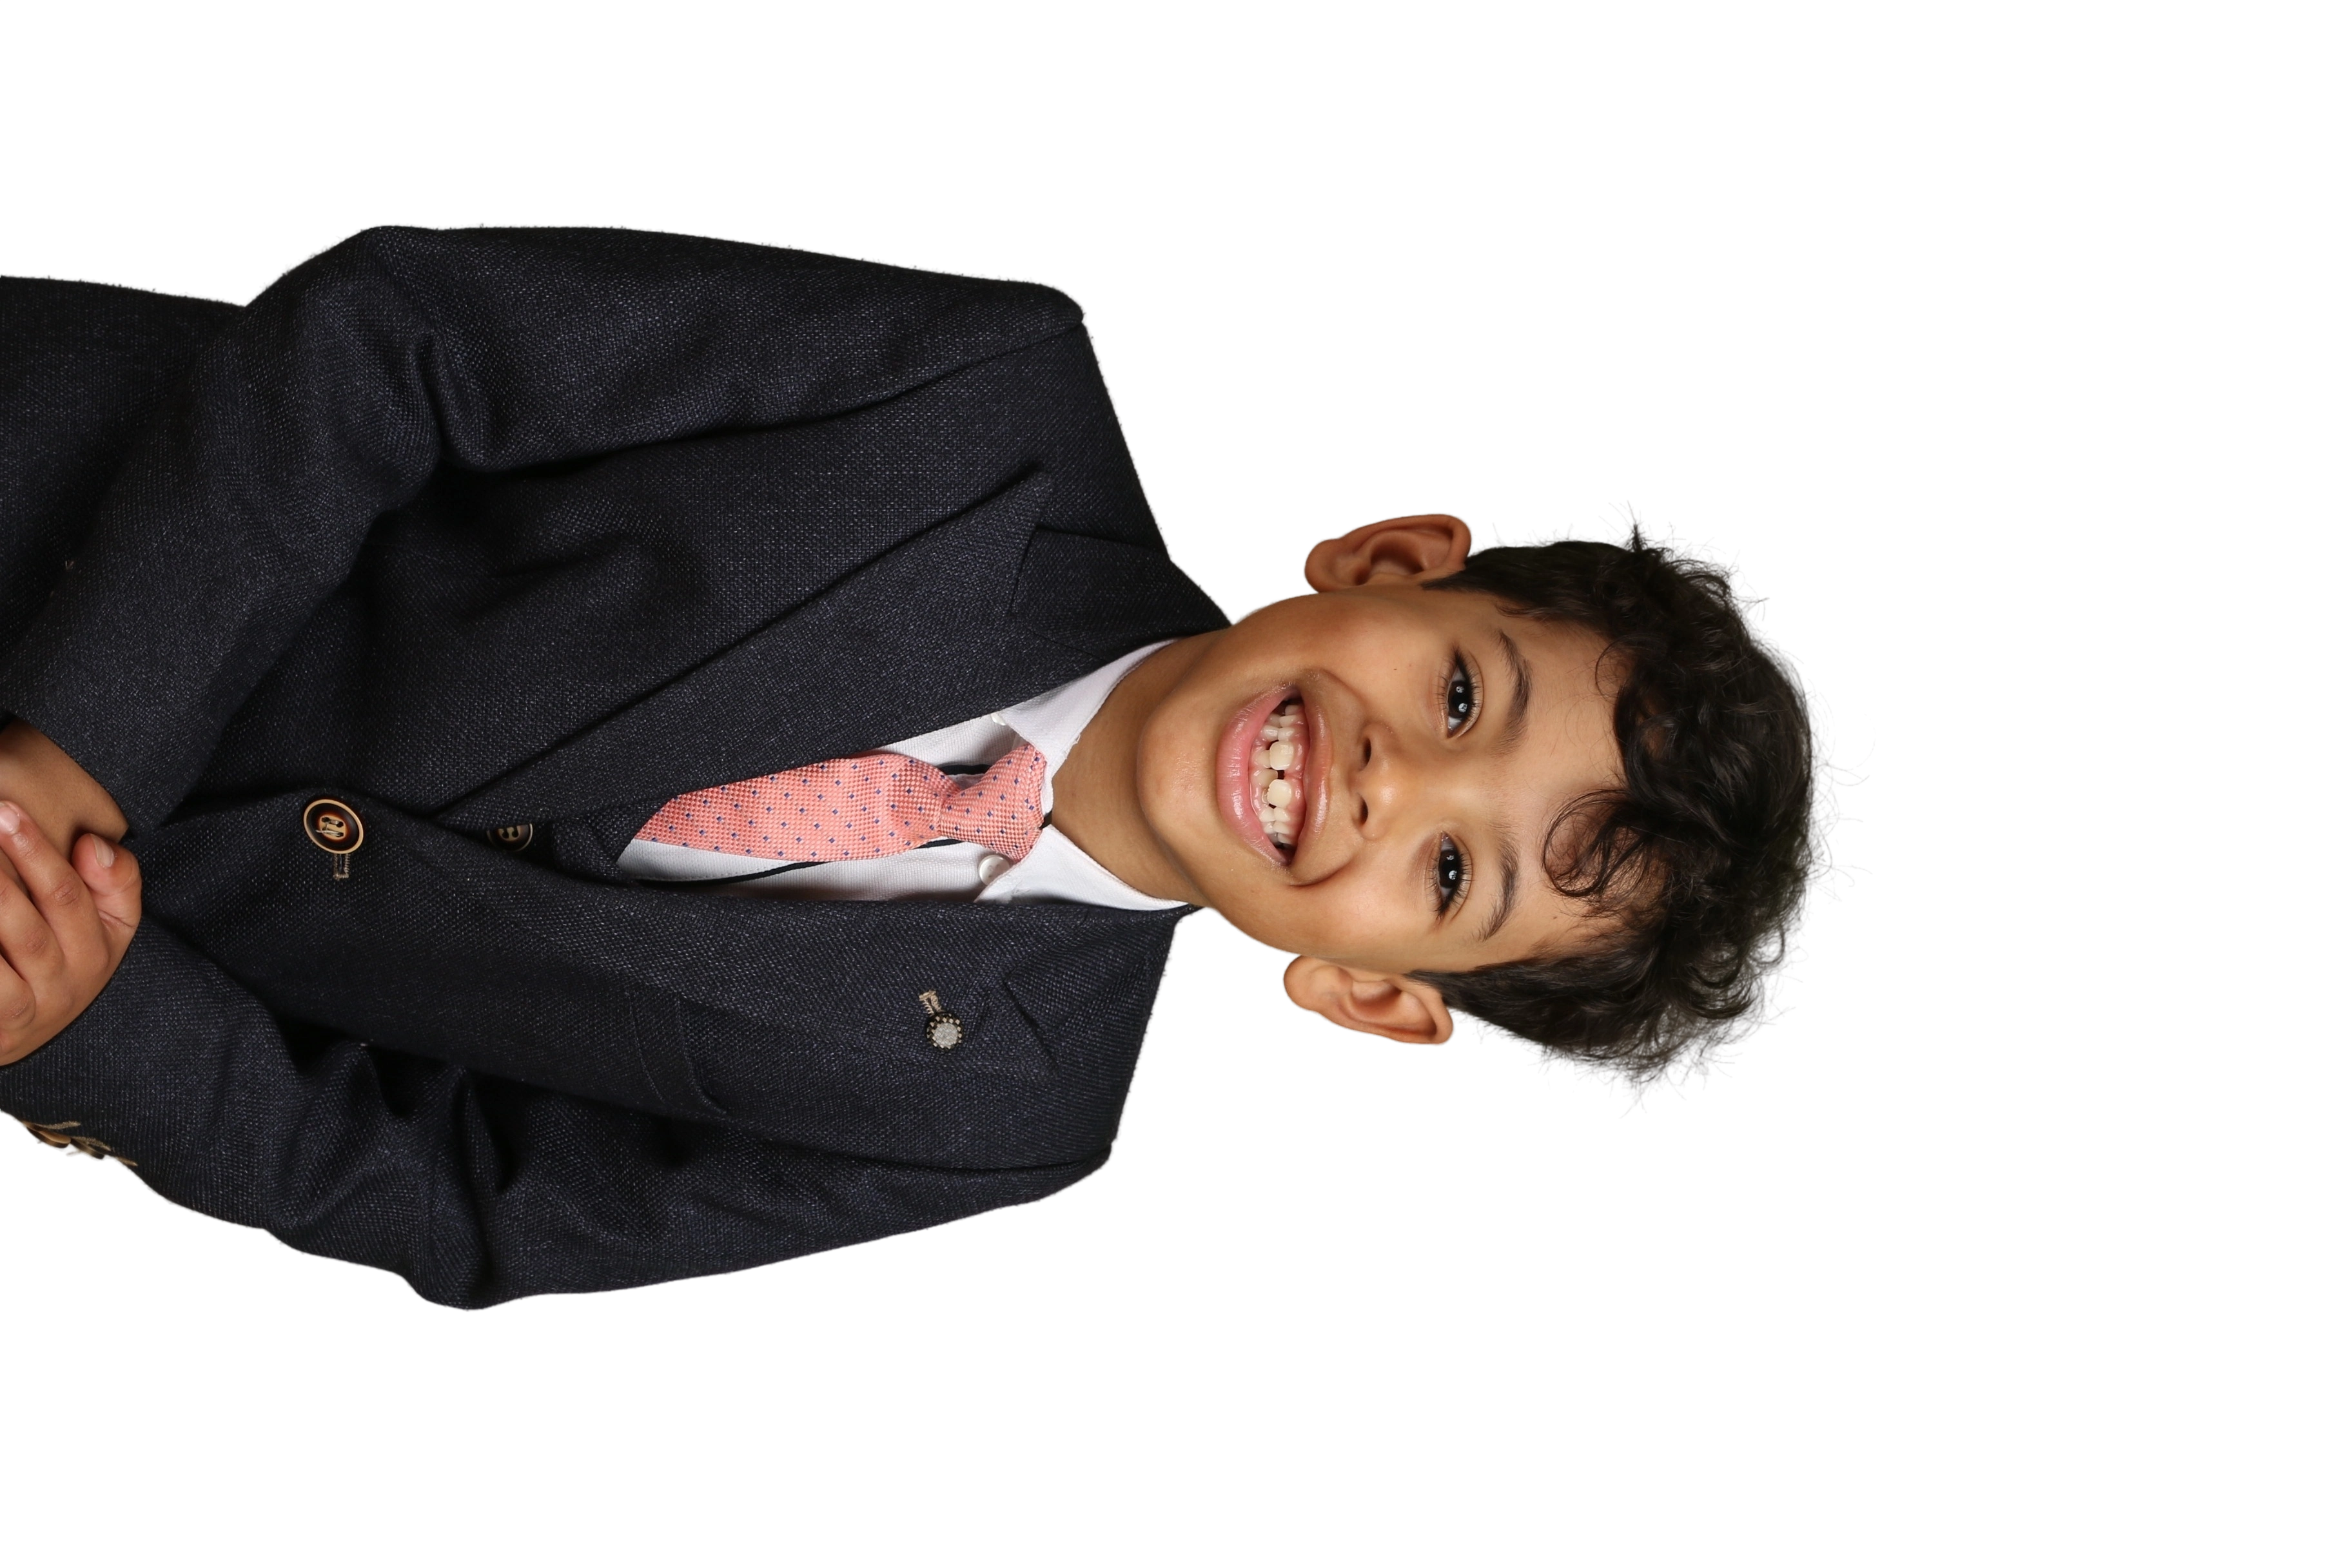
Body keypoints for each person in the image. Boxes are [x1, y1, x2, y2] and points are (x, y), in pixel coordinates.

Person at [0, 222, 1848, 1309]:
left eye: (1453, 875)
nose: (1386, 785)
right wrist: (78, 753)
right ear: (1391, 558)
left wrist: (95, 1017)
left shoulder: (1008, 1116)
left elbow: (472, 1205)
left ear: (1375, 994)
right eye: (1458, 697)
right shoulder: (989, 397)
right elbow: (403, 338)